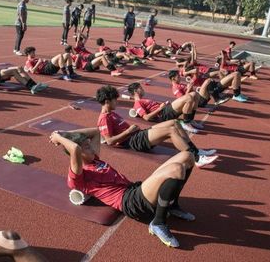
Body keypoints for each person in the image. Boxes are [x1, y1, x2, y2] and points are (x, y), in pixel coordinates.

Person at [49, 129, 196, 248]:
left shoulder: (94, 159)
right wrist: (58, 137)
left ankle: (172, 205)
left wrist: (65, 133)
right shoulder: (78, 176)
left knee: (187, 156)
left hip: (134, 188)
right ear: (78, 154)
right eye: (87, 146)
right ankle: (158, 222)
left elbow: (95, 132)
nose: (92, 147)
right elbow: (74, 148)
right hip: (130, 202)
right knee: (176, 169)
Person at [96, 85, 218, 167]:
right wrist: (128, 131)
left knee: (174, 122)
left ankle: (196, 150)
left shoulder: (111, 114)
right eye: (114, 100)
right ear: (107, 101)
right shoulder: (104, 118)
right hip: (134, 141)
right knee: (171, 130)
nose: (116, 102)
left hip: (137, 134)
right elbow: (110, 141)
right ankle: (196, 158)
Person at [127, 82, 202, 133]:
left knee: (195, 94)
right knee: (189, 97)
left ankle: (190, 120)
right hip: (163, 114)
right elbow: (146, 117)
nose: (143, 89)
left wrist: (163, 105)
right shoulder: (137, 103)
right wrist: (160, 108)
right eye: (141, 88)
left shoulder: (143, 100)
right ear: (135, 91)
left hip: (166, 109)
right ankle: (187, 123)